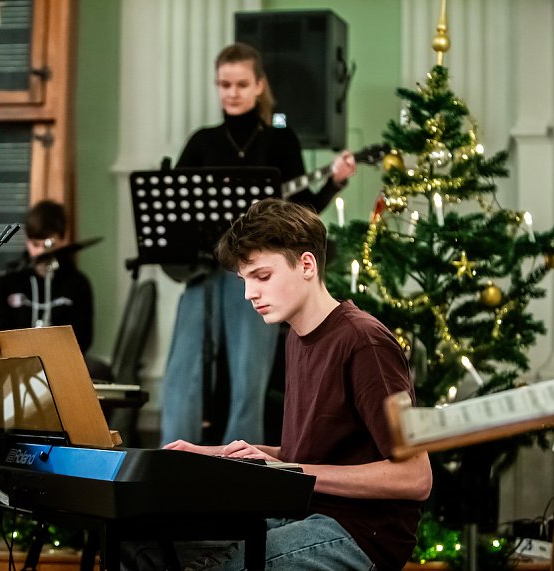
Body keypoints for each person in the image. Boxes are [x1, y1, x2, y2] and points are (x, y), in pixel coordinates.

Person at [148, 198, 432, 571]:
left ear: (307, 265)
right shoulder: (296, 337)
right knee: (149, 544)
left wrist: (288, 469)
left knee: (219, 566)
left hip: (361, 533)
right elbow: (312, 454)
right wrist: (214, 454)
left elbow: (415, 476)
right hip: (302, 514)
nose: (249, 294)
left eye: (262, 277)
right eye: (244, 280)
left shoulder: (364, 343)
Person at [160, 42, 357, 446]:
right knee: (184, 371)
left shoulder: (281, 142)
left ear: (259, 85)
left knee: (249, 375)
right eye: (224, 84)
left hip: (257, 274)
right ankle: (173, 464)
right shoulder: (202, 141)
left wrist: (334, 183)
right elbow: (171, 204)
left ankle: (240, 472)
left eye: (241, 83)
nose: (231, 92)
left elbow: (302, 211)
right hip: (202, 271)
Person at [0, 199, 94, 352]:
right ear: (26, 239)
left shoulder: (78, 284)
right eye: (35, 245)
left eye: (49, 244)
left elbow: (84, 338)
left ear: (63, 238)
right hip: (17, 362)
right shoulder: (7, 281)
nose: (41, 253)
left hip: (62, 361)